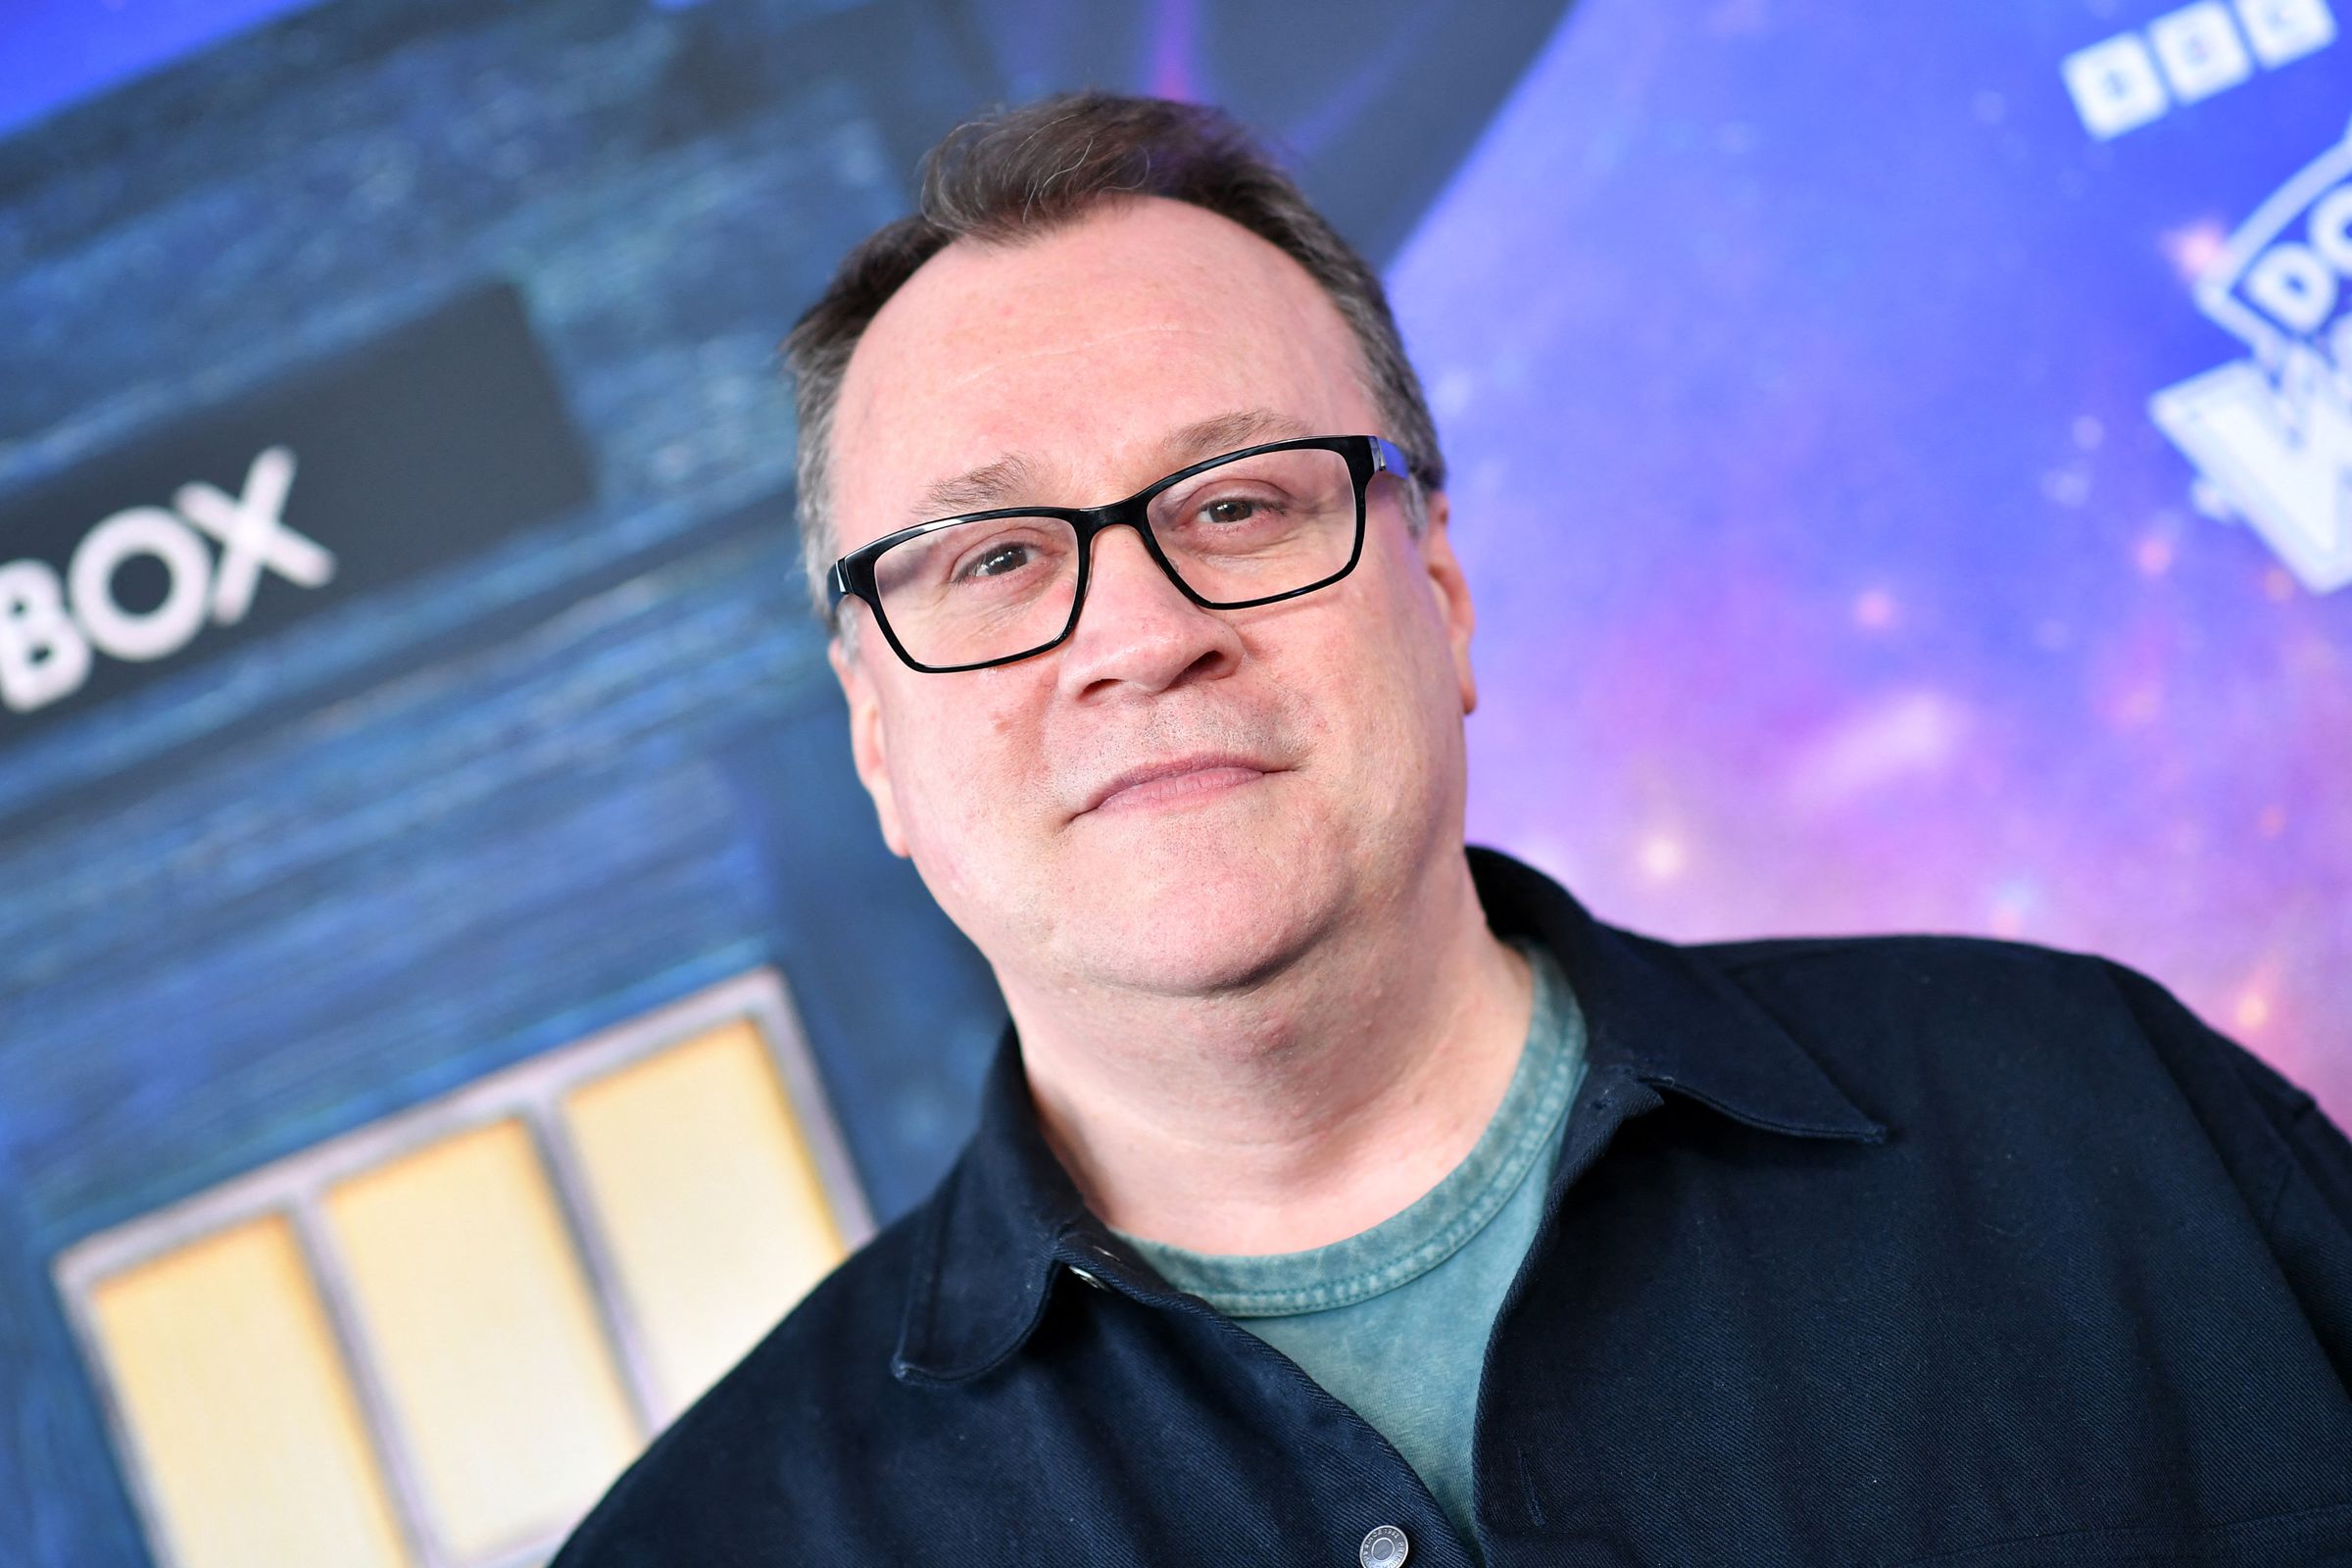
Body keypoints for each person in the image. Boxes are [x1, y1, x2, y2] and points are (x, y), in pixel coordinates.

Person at [555, 92, 2352, 1568]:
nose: (1140, 633)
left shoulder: (2100, 1117)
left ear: (1446, 595)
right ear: (877, 744)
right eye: (997, 558)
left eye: (1243, 502)